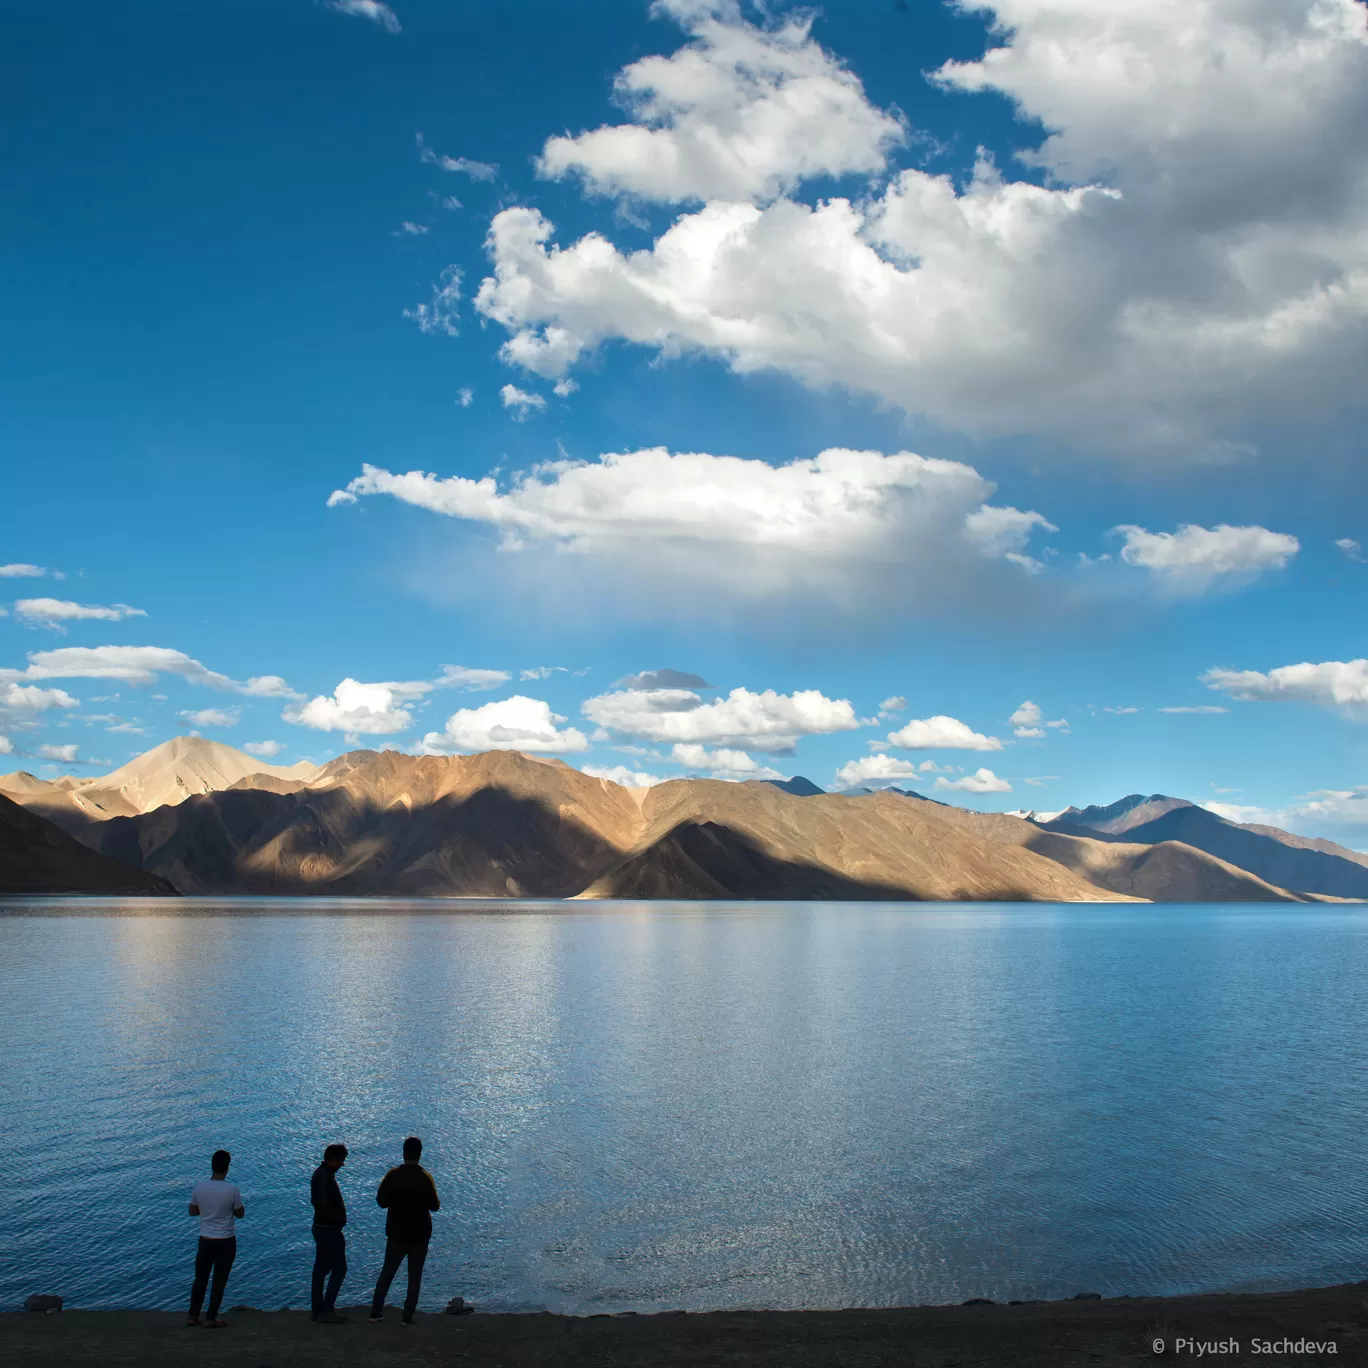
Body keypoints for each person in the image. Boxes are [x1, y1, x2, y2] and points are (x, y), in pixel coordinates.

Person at [369, 1136, 440, 1325]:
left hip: (396, 1234)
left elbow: (381, 1201)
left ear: (403, 1153)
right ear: (420, 1154)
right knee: (414, 1277)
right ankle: (407, 1317)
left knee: (387, 1273)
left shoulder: (392, 1175)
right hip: (419, 1235)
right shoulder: (425, 1177)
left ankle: (375, 1312)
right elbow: (435, 1206)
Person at [187, 1149, 244, 1329]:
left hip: (205, 1239)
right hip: (225, 1240)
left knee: (200, 1279)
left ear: (212, 1167)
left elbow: (192, 1211)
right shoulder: (231, 1190)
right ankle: (211, 1317)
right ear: (227, 1168)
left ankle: (193, 1315)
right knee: (219, 1280)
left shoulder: (199, 1187)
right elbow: (240, 1214)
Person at [310, 1143, 350, 1324]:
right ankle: (326, 1309)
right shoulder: (323, 1176)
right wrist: (336, 1220)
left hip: (323, 1228)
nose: (343, 1164)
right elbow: (320, 1203)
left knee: (321, 1268)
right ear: (333, 1159)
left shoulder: (323, 1174)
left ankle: (318, 1309)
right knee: (339, 1268)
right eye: (341, 1160)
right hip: (328, 1230)